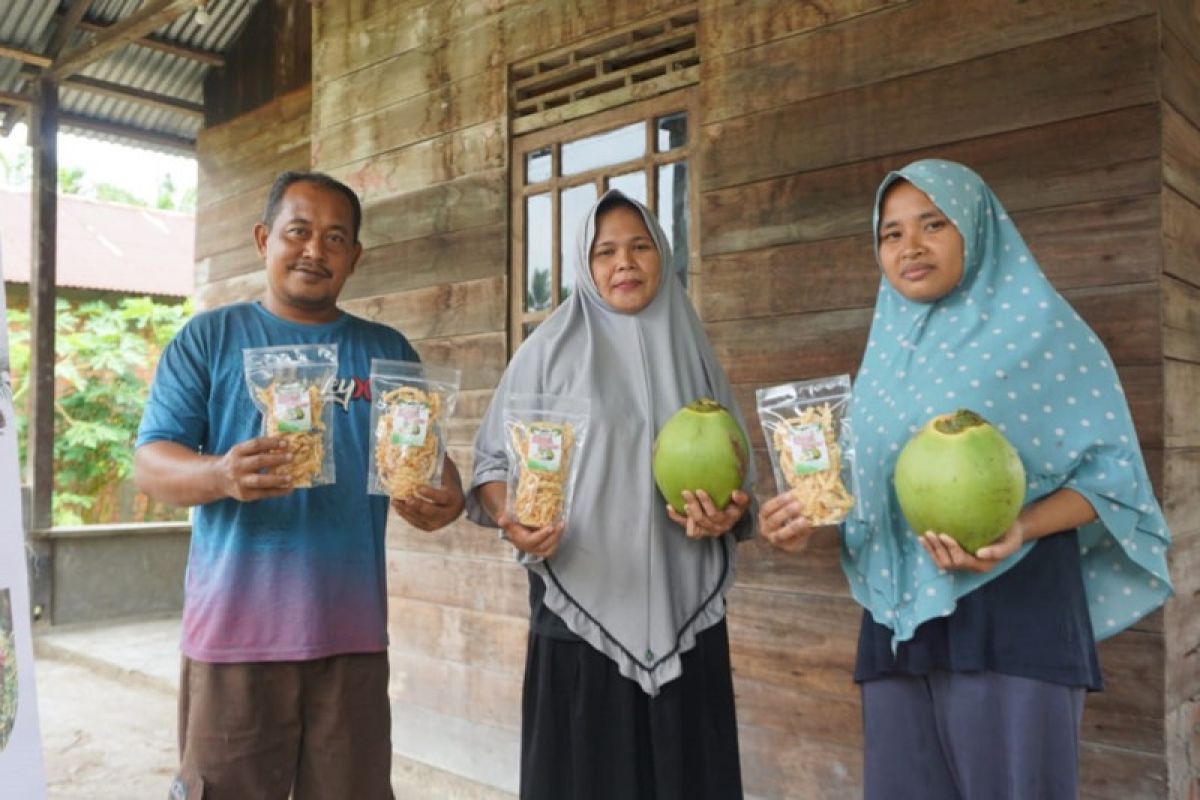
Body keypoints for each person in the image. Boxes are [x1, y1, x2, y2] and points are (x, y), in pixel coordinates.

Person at [758, 159, 1172, 799]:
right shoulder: (887, 351)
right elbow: (866, 492)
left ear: (977, 228)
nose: (910, 247)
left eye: (933, 224)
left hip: (1014, 611)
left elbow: (1113, 480)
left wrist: (1022, 525)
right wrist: (802, 523)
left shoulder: (1045, 333)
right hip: (898, 630)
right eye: (891, 233)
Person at [134, 171, 465, 800]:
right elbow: (150, 464)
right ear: (264, 239)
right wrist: (220, 473)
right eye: (299, 232)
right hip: (235, 637)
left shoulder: (384, 350)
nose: (315, 250)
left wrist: (442, 496)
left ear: (355, 257)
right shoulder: (210, 339)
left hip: (352, 635)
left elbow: (433, 466)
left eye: (335, 238)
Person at [467, 189, 754, 799]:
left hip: (685, 611)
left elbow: (737, 471)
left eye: (639, 246)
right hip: (577, 622)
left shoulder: (695, 353)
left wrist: (728, 514)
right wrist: (508, 516)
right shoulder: (546, 351)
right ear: (584, 265)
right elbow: (493, 464)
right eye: (605, 252)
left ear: (663, 256)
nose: (624, 263)